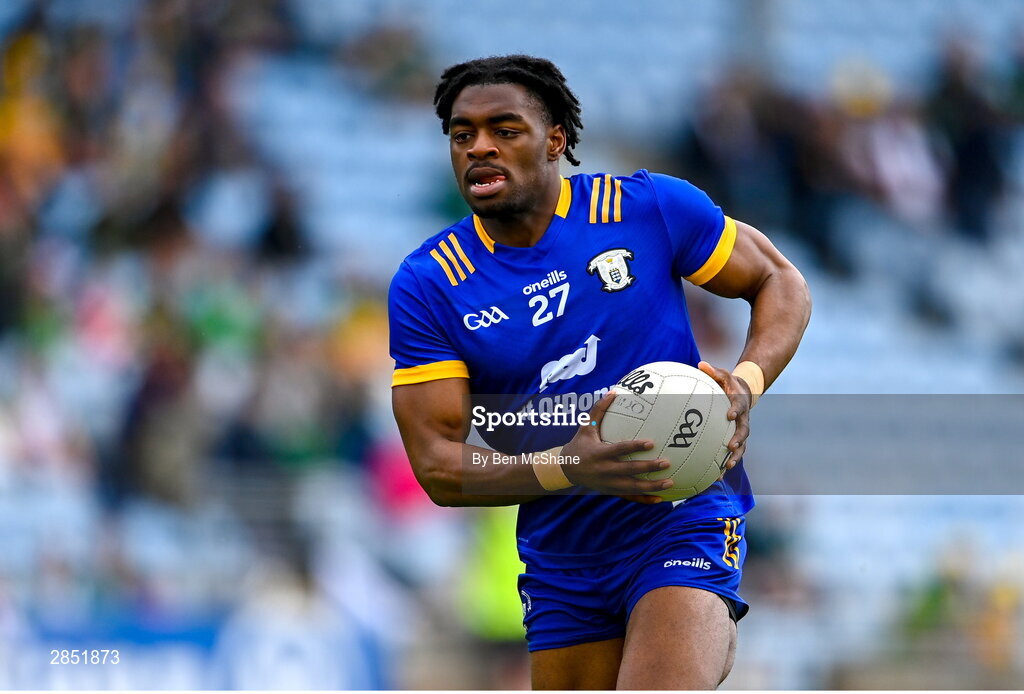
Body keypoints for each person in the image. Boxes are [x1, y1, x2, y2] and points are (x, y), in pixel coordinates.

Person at [389, 55, 811, 690]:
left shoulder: (645, 210)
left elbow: (779, 279)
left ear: (555, 139)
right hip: (564, 551)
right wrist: (568, 464)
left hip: (681, 512)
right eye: (461, 133)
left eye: (505, 130)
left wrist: (745, 385)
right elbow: (437, 464)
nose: (479, 147)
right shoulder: (432, 282)